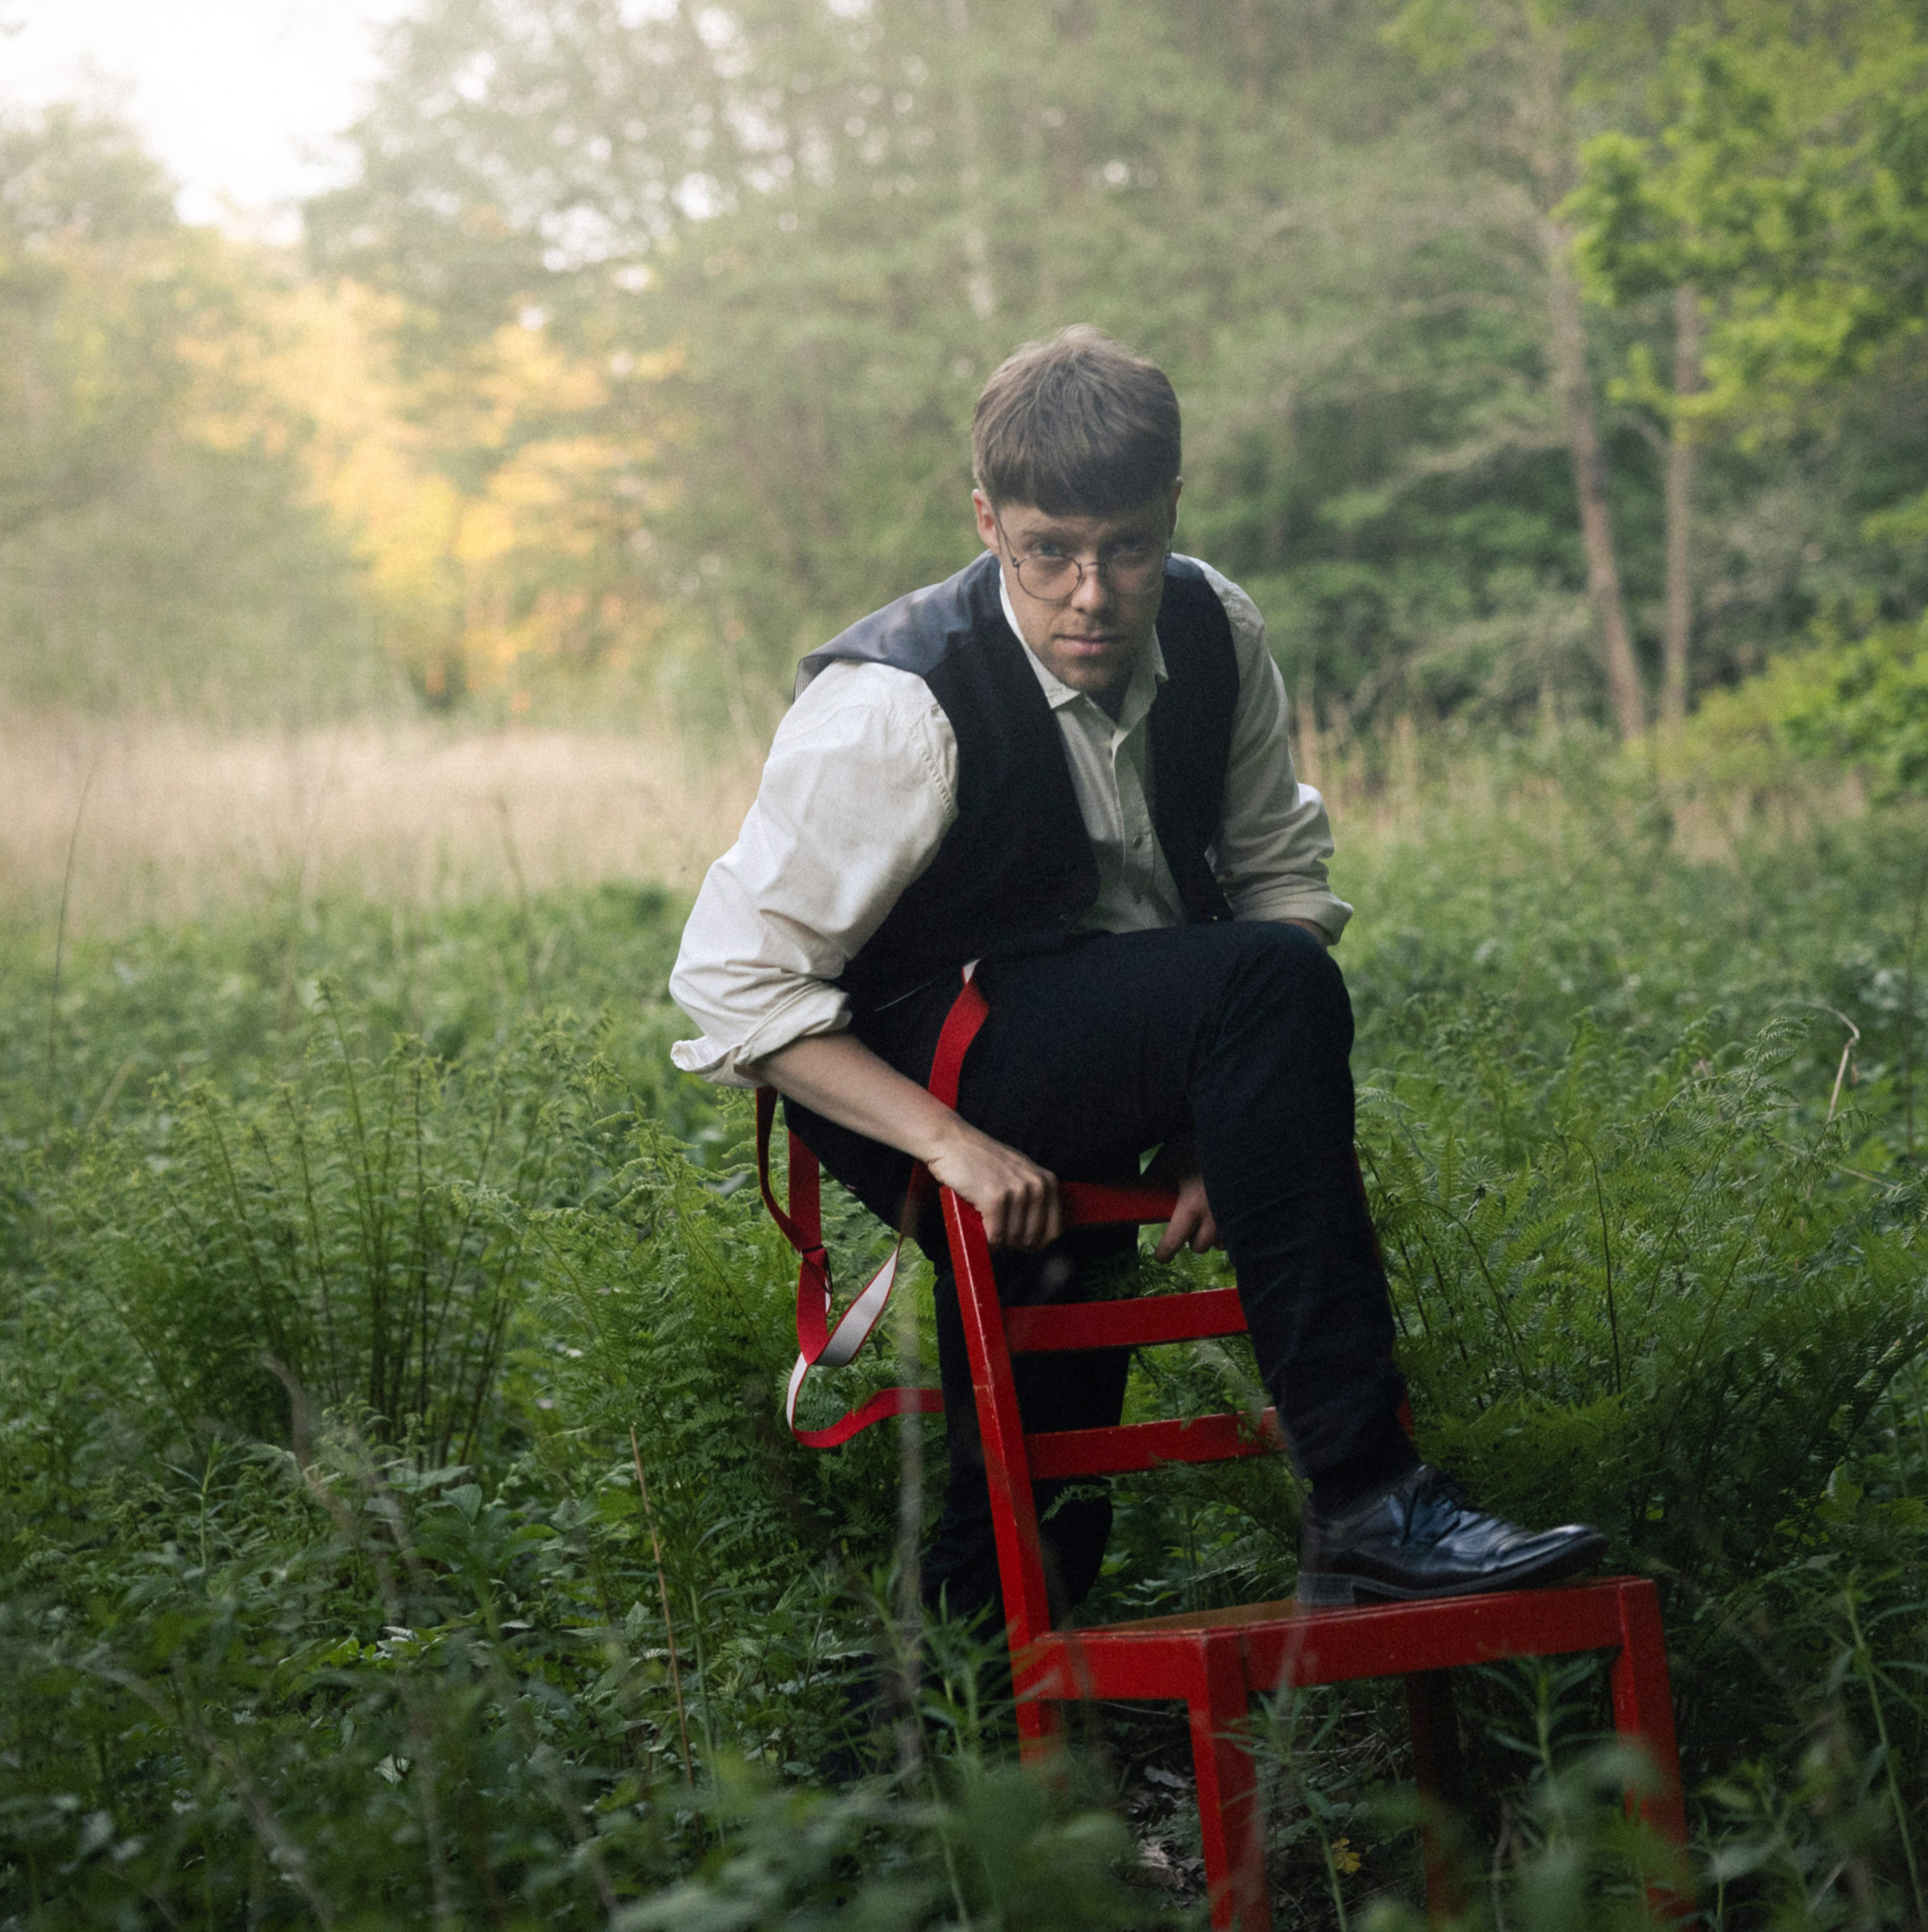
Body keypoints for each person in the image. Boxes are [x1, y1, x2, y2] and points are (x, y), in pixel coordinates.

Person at [669, 325, 1603, 1622]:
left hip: (1095, 1033)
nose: (1092, 595)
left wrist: (1230, 1124)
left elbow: (1278, 875)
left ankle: (949, 1716)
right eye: (1048, 552)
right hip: (912, 1067)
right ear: (987, 523)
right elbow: (732, 985)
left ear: (1173, 510)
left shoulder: (1217, 627)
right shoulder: (896, 707)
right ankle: (1367, 1496)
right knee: (1267, 989)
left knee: (1044, 1490)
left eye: (1126, 549)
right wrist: (951, 1147)